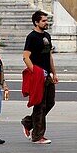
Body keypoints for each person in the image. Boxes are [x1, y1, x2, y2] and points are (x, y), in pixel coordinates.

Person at [21, 10, 57, 145]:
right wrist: (35, 72)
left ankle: (28, 122)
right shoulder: (32, 37)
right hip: (38, 76)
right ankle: (37, 136)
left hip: (48, 75)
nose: (46, 22)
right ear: (36, 22)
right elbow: (25, 56)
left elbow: (49, 56)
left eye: (46, 20)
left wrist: (54, 73)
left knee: (50, 103)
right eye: (43, 21)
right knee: (39, 105)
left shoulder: (47, 36)